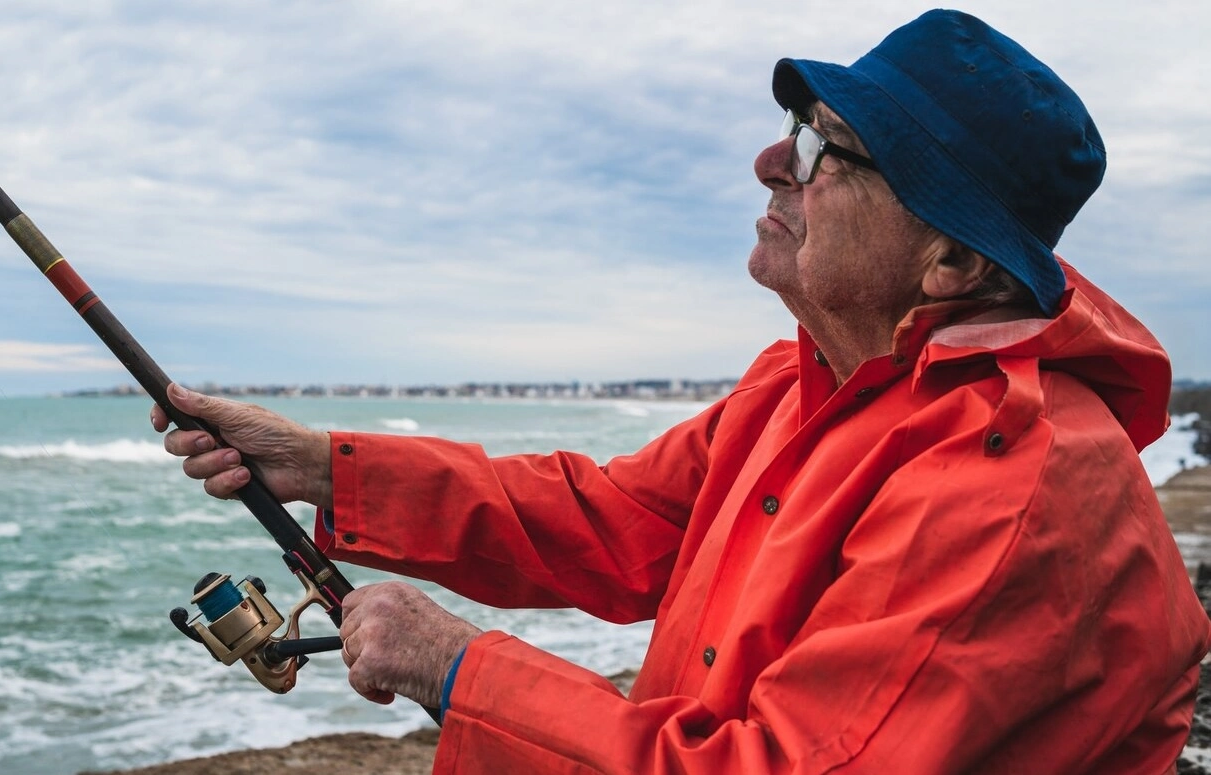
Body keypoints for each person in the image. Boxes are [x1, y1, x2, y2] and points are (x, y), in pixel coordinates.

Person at [152, 10, 1210, 773]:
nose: (767, 161)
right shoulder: (811, 381)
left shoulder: (1014, 486)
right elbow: (617, 520)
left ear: (948, 264)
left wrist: (456, 668)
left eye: (819, 145)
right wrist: (319, 462)